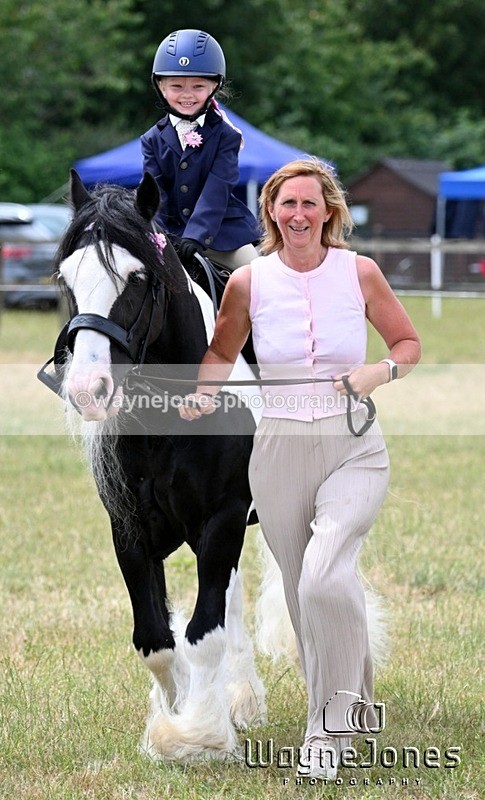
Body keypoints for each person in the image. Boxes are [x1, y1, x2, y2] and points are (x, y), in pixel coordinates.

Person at [178, 157, 421, 780]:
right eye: (287, 204)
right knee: (304, 590)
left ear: (329, 211)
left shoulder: (359, 272)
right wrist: (200, 392)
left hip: (353, 445)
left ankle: (327, 731)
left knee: (322, 577)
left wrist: (379, 371)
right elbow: (221, 351)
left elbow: (407, 344)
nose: (298, 215)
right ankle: (357, 704)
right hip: (278, 449)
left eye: (310, 203)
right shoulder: (249, 283)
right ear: (272, 214)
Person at [141, 29, 260, 270]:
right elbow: (156, 194)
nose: (187, 95)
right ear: (161, 87)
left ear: (214, 85)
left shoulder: (226, 135)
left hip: (222, 234)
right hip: (169, 235)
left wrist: (196, 234)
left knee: (257, 275)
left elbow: (218, 189)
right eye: (176, 86)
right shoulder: (151, 139)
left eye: (197, 86)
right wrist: (161, 235)